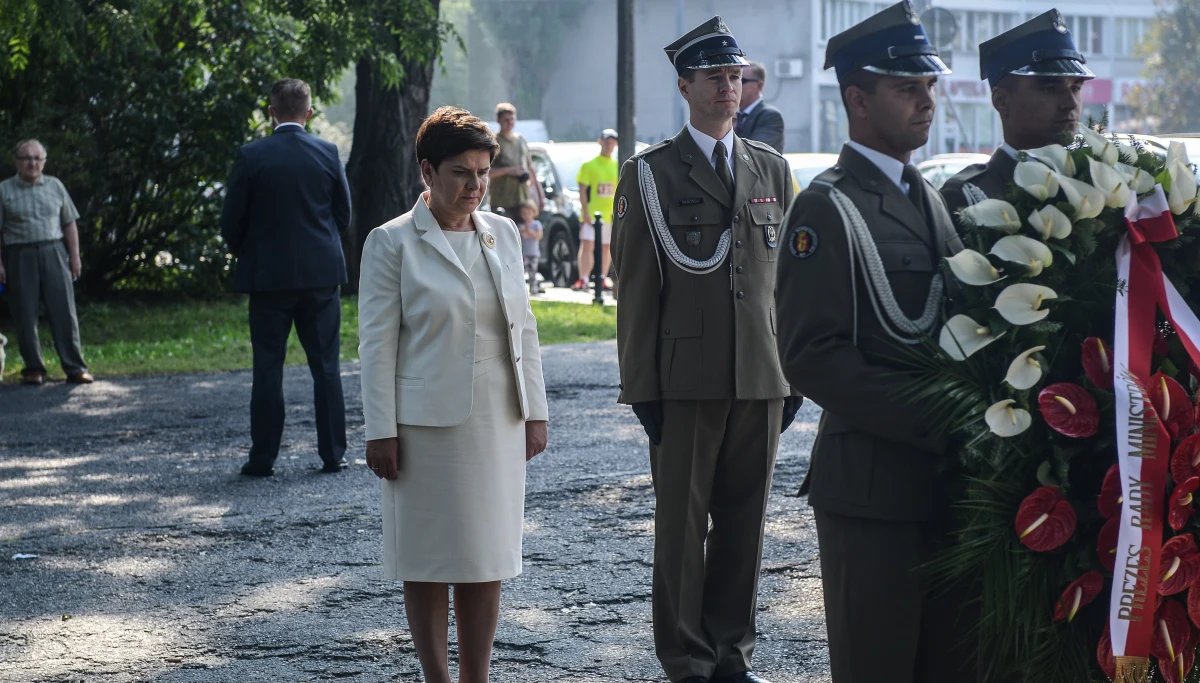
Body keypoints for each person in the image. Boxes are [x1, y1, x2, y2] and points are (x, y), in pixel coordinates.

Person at [773, 3, 979, 682]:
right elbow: (811, 354)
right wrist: (938, 417)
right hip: (871, 491)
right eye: (906, 87)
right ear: (858, 100)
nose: (926, 100)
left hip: (946, 487)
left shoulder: (931, 195)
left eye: (929, 85)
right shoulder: (827, 206)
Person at [611, 16, 800, 683]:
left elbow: (790, 283)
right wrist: (641, 388)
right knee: (681, 530)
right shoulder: (652, 173)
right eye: (715, 76)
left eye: (736, 75)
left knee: (746, 528)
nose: (729, 86)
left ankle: (731, 654)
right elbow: (635, 289)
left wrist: (793, 370)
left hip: (761, 375)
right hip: (685, 376)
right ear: (685, 84)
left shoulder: (772, 168)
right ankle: (687, 658)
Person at [358, 106, 549, 683]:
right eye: (461, 172)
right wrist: (380, 430)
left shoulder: (504, 232)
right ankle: (437, 676)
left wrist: (535, 411)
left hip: (497, 419)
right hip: (423, 429)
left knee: (485, 556)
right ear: (427, 171)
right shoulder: (391, 242)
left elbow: (526, 327)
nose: (475, 185)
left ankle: (477, 677)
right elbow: (376, 344)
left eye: (483, 172)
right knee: (427, 557)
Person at [219, 78, 351, 477]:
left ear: (270, 111)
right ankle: (333, 454)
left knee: (268, 367)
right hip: (319, 275)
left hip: (268, 277)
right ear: (309, 112)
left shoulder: (251, 155)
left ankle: (263, 458)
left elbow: (231, 222)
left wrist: (251, 253)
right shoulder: (327, 152)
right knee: (326, 366)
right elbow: (343, 215)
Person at [941, 10, 1093, 216]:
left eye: (1075, 88)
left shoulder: (1094, 183)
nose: (1070, 103)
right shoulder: (969, 197)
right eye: (1050, 88)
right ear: (1001, 101)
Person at [0, 139, 92, 386]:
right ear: (16, 162)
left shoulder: (55, 186)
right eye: (26, 158)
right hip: (19, 255)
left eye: (37, 158)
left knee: (64, 310)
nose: (32, 163)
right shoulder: (4, 190)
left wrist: (74, 256)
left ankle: (75, 368)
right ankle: (33, 368)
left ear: (44, 162)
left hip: (54, 251)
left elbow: (69, 223)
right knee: (24, 312)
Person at [572, 129, 619, 291]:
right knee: (588, 245)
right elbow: (583, 189)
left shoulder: (617, 165)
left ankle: (603, 277)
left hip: (610, 215)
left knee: (606, 247)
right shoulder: (589, 164)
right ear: (600, 142)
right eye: (606, 141)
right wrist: (585, 212)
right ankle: (584, 277)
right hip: (592, 213)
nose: (609, 145)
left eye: (612, 142)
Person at [487, 103, 543, 219]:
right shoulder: (493, 142)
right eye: (506, 120)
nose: (510, 123)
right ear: (498, 120)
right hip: (501, 201)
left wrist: (540, 195)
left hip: (523, 200)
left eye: (512, 119)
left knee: (523, 234)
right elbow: (487, 172)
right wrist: (509, 171)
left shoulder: (521, 140)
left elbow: (530, 168)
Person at [735, 63, 786, 153]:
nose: (735, 85)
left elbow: (756, 152)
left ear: (759, 86)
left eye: (741, 81)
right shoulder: (733, 116)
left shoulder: (770, 116)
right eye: (734, 79)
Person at [516, 200, 544, 294]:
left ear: (534, 213)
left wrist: (529, 231)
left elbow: (539, 236)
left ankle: (534, 288)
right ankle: (521, 289)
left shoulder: (536, 224)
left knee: (533, 272)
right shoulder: (520, 226)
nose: (526, 215)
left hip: (534, 253)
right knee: (522, 271)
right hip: (523, 253)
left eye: (528, 213)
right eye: (524, 213)